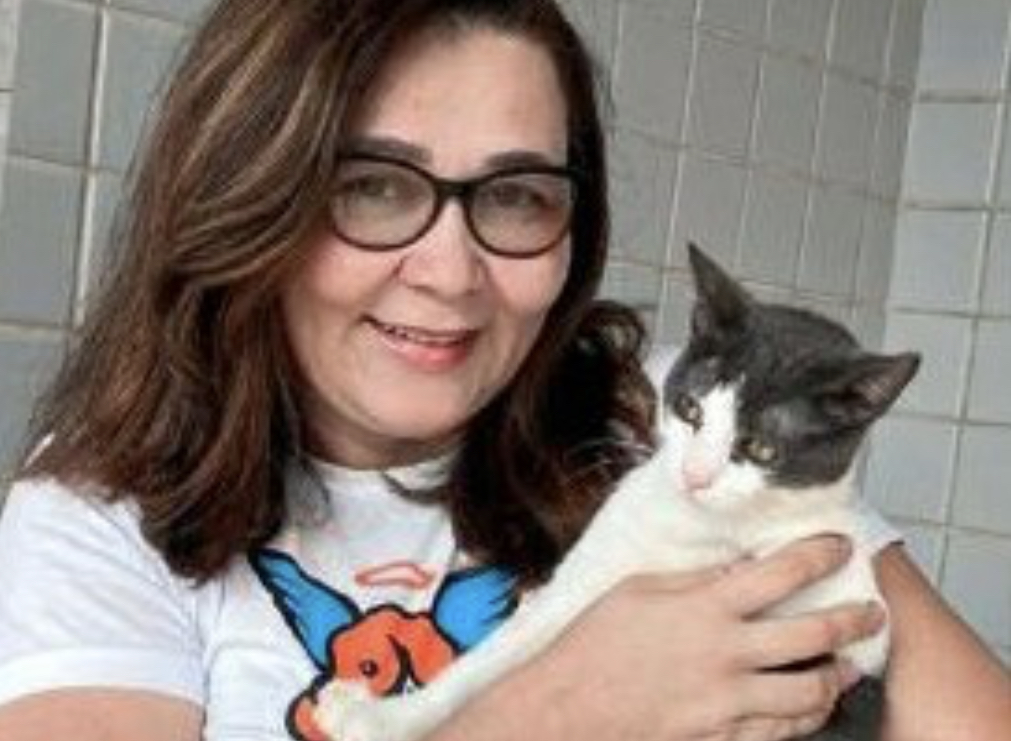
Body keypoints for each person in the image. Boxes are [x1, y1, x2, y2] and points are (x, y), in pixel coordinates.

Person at [0, 0, 1007, 739]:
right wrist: (557, 713)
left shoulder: (666, 419)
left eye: (518, 196)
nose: (449, 273)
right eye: (373, 186)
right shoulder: (98, 517)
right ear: (250, 194)